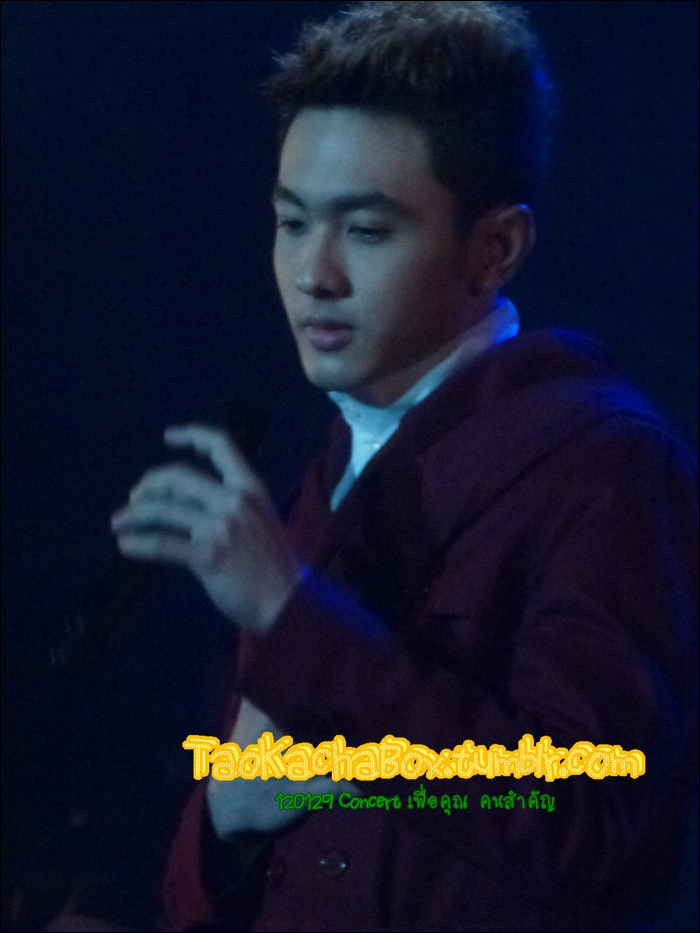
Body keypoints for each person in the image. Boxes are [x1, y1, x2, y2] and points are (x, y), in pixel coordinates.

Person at [105, 2, 697, 931]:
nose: (314, 273)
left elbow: (590, 823)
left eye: (367, 230)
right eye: (291, 221)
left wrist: (294, 621)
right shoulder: (330, 473)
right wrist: (224, 816)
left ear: (495, 248)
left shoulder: (605, 465)